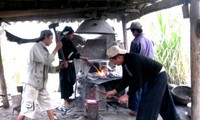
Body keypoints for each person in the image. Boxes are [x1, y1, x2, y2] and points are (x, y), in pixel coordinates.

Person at [106, 45, 181, 120]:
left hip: (158, 76)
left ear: (119, 57)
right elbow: (126, 79)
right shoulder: (125, 63)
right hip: (153, 78)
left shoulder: (133, 60)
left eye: (113, 61)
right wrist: (114, 91)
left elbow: (137, 81)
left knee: (148, 105)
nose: (113, 63)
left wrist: (126, 95)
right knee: (165, 103)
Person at [17, 30, 67, 120]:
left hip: (41, 85)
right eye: (51, 39)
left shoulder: (45, 51)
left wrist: (60, 66)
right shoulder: (37, 47)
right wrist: (56, 48)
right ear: (45, 37)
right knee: (26, 110)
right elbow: (47, 60)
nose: (52, 41)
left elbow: (50, 68)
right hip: (32, 85)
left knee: (48, 105)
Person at [127, 21, 154, 116]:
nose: (131, 33)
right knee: (146, 90)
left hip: (139, 69)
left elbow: (132, 58)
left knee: (136, 88)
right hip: (150, 69)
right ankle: (145, 109)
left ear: (134, 31)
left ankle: (135, 109)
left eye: (132, 31)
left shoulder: (135, 42)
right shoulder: (149, 40)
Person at [58, 26, 88, 110]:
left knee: (72, 79)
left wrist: (81, 57)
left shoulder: (68, 41)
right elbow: (68, 54)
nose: (73, 35)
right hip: (64, 64)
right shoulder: (62, 42)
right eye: (72, 34)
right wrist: (81, 57)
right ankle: (65, 100)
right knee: (65, 81)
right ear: (67, 34)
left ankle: (68, 97)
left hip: (70, 64)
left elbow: (74, 52)